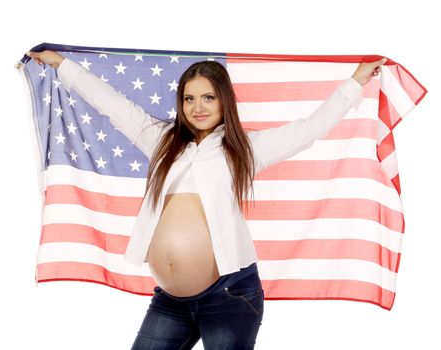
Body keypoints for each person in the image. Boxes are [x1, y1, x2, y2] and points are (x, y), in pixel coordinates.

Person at [26, 49, 386, 349]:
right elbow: (112, 104)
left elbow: (310, 129)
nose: (198, 107)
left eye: (208, 97)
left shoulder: (244, 148)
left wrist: (355, 81)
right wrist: (61, 64)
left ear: (223, 100)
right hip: (170, 300)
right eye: (189, 98)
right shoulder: (162, 140)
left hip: (229, 295)